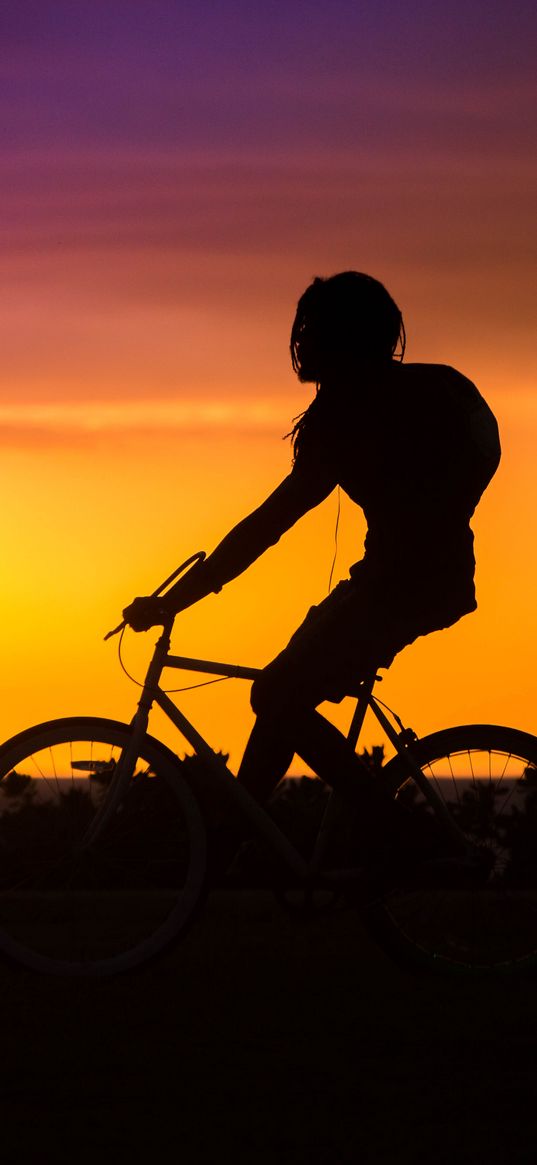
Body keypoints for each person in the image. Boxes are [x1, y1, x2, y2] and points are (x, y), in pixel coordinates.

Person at [123, 271, 501, 850]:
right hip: (411, 579)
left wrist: (175, 600)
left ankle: (411, 838)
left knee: (275, 694)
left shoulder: (346, 420)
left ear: (334, 340)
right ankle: (239, 836)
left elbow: (266, 527)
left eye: (311, 332)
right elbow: (481, 453)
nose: (301, 343)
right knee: (282, 688)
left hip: (400, 587)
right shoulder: (437, 390)